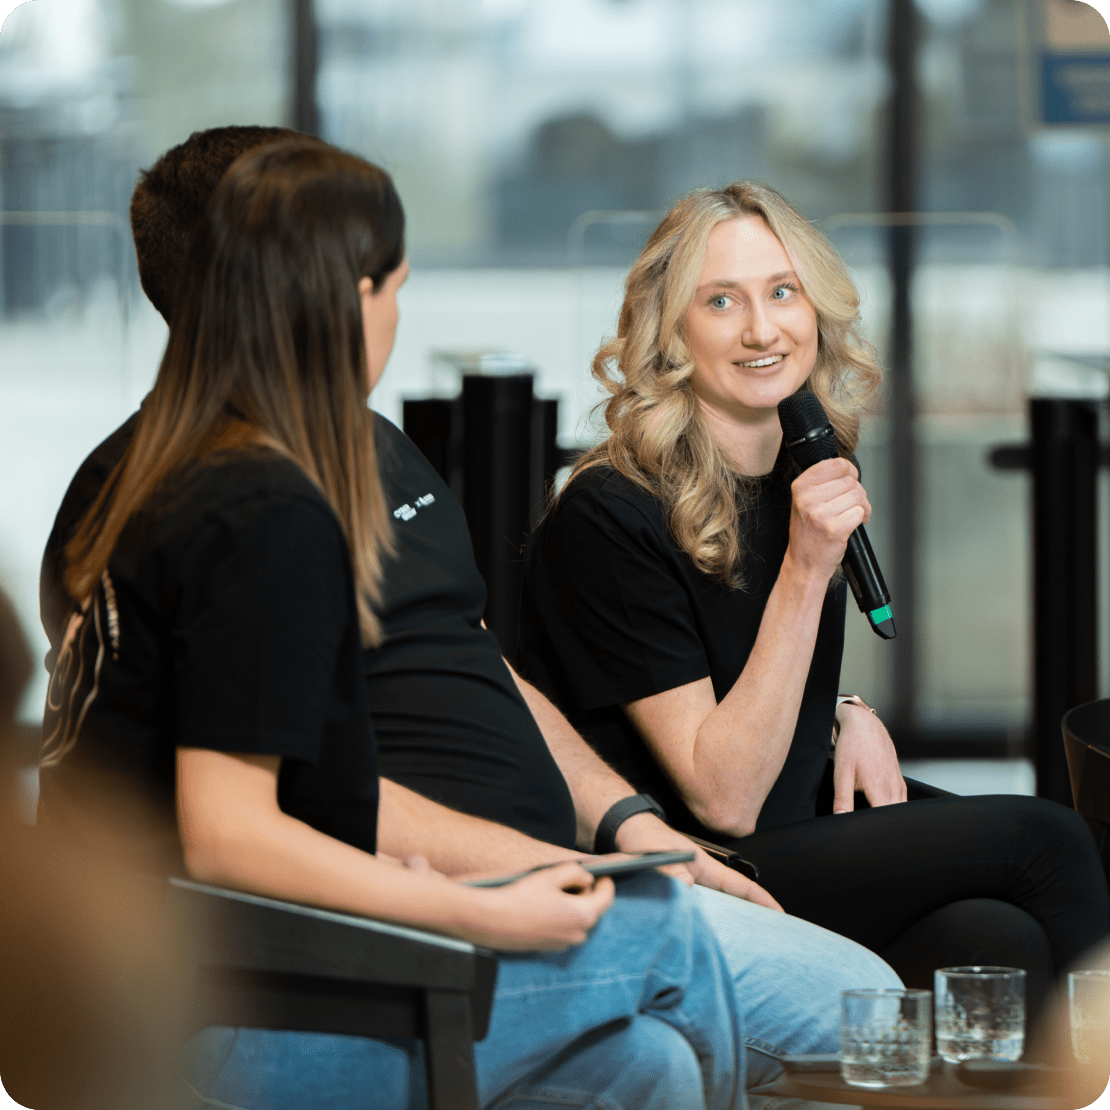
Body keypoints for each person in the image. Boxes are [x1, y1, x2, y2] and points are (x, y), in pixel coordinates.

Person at [40, 126, 904, 1106]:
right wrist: (486, 900)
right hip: (266, 982)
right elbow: (239, 826)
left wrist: (624, 828)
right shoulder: (257, 507)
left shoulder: (334, 456)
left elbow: (465, 661)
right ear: (322, 288)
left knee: (646, 1063)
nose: (398, 314)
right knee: (815, 986)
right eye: (393, 286)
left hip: (412, 910)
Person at [517, 180, 1110, 1032]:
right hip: (688, 863)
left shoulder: (796, 466)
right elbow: (722, 796)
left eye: (782, 292)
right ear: (670, 330)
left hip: (793, 827)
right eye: (721, 301)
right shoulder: (609, 513)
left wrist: (841, 712)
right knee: (1047, 838)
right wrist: (805, 567)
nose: (763, 330)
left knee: (991, 936)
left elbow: (730, 670)